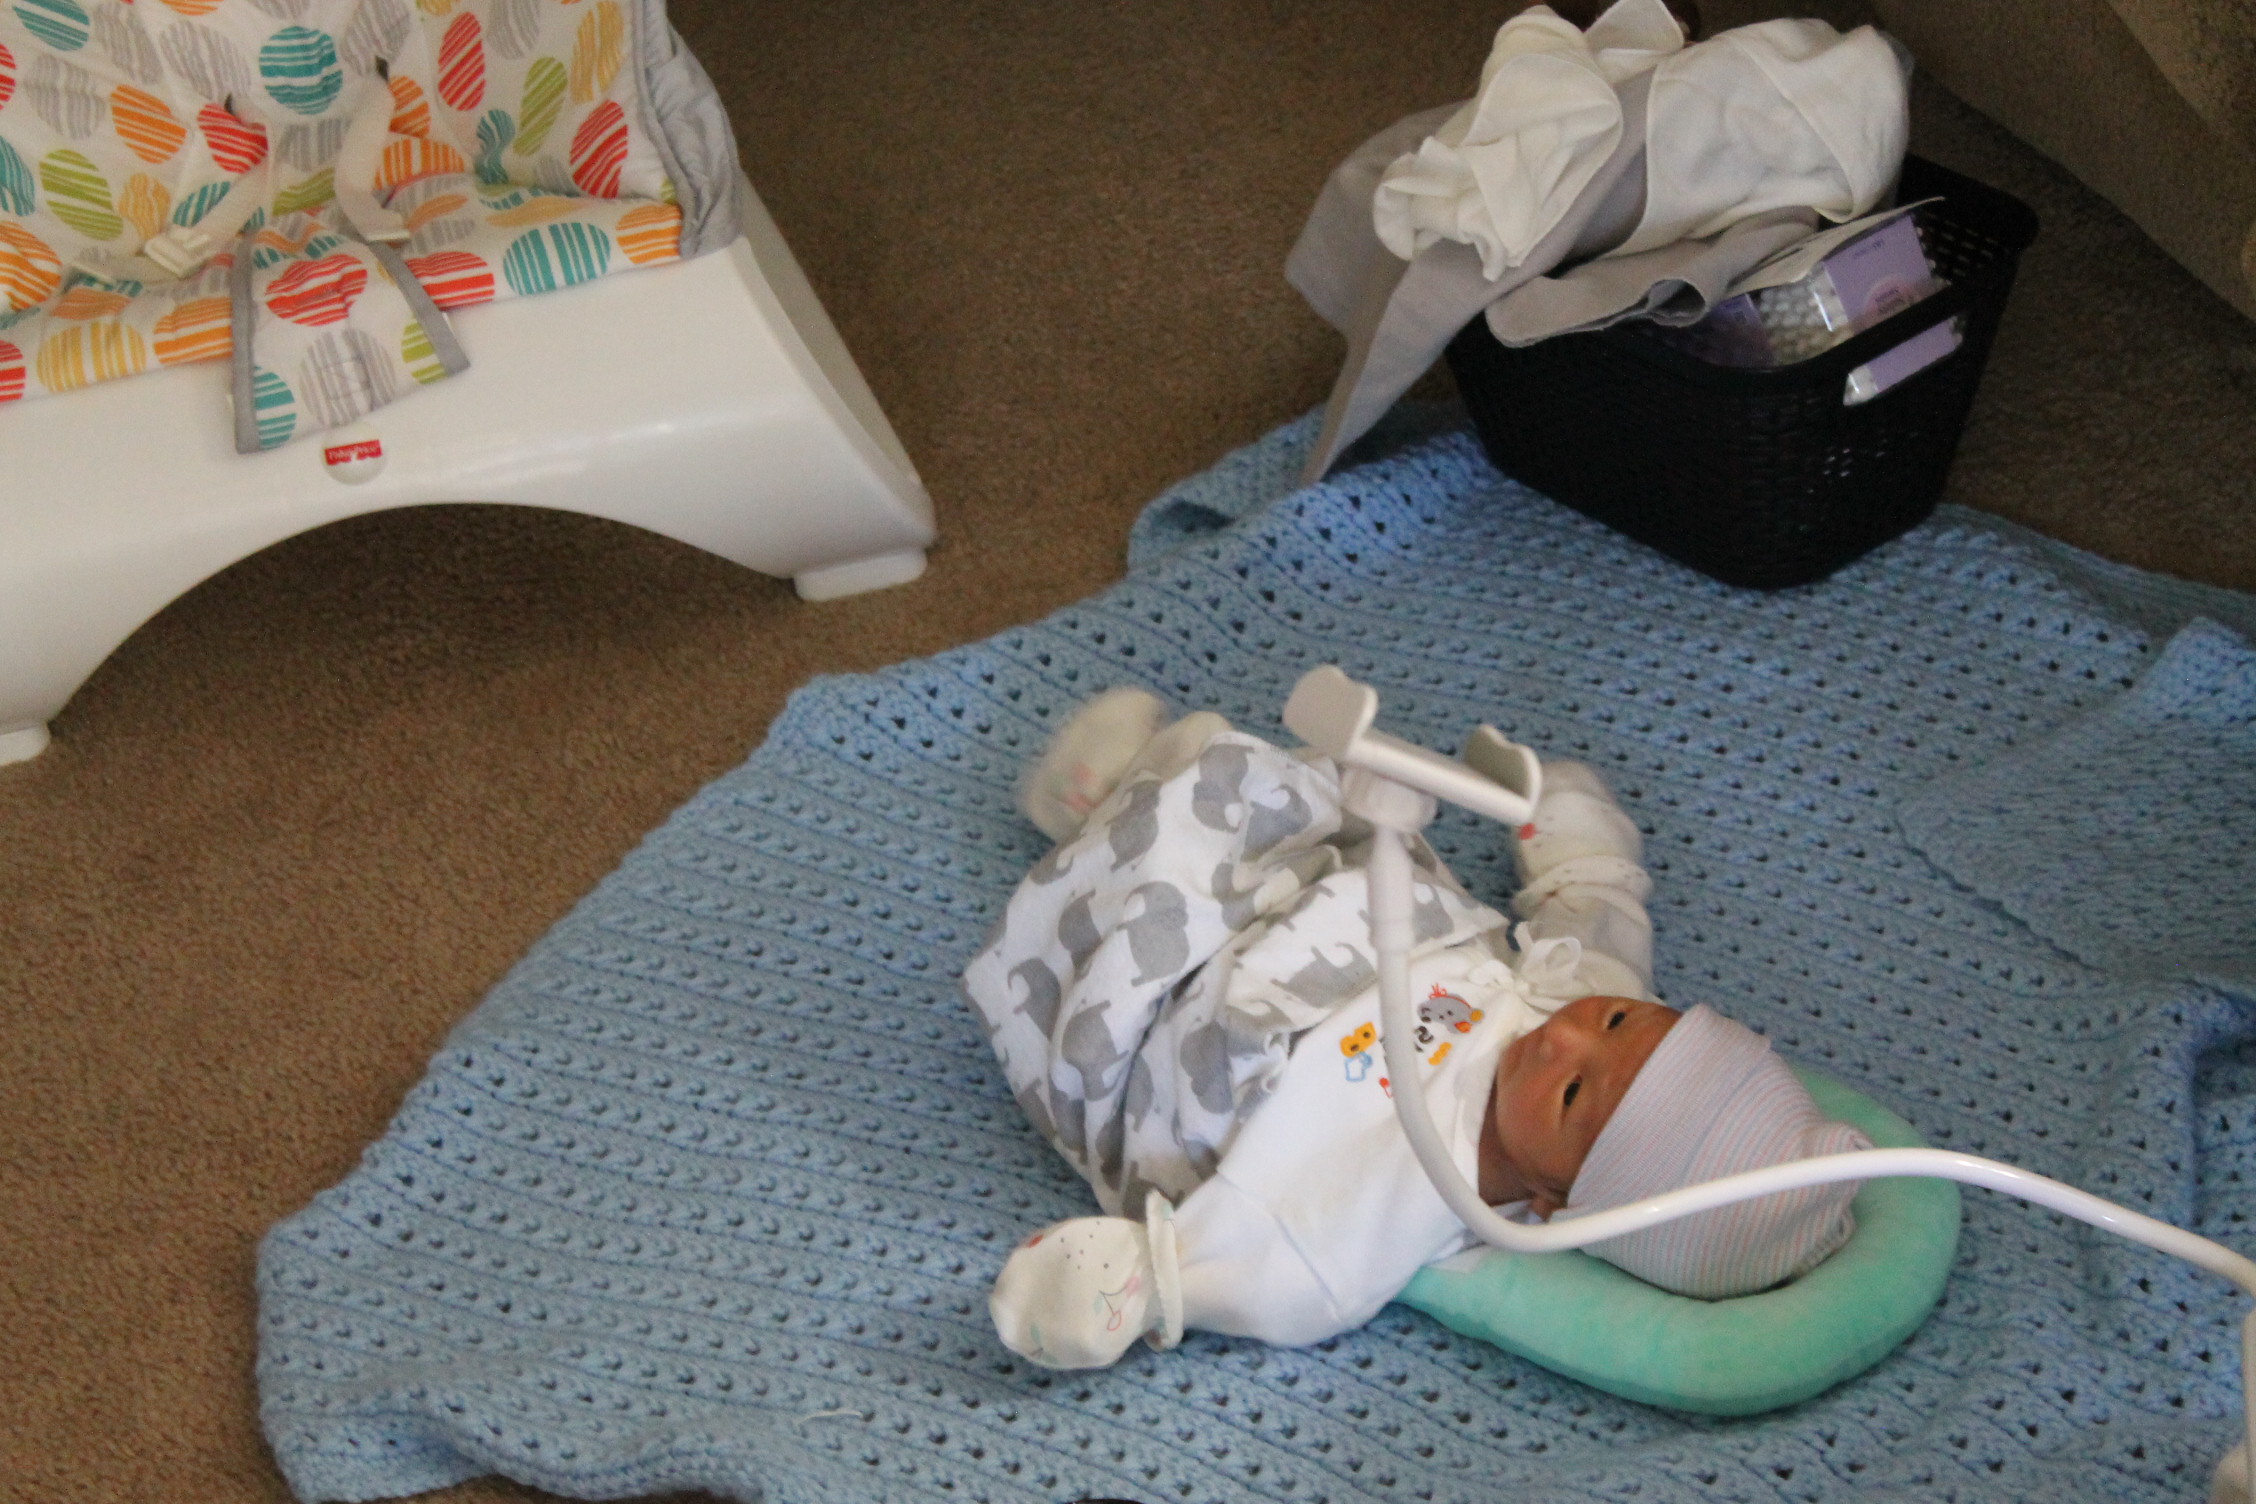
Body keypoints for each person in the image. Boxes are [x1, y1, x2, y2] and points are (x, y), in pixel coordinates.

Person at [965, 689, 1868, 1370]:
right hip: (1329, 916)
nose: (1566, 1037)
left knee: (1152, 917)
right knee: (1299, 803)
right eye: (1620, 1020)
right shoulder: (1585, 1017)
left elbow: (1283, 1275)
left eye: (1570, 1093)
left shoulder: (1416, 1203)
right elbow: (1596, 913)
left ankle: (1099, 808)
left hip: (1212, 1025)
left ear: (1554, 1203)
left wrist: (1141, 1286)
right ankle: (1156, 791)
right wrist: (1578, 839)